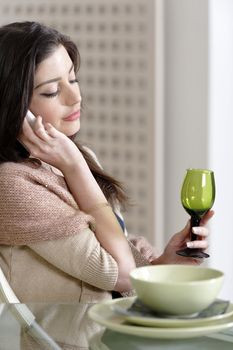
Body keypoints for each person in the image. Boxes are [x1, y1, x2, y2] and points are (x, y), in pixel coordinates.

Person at [0, 21, 213, 304]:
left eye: (73, 80)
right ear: (14, 107)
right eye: (52, 91)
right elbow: (122, 274)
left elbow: (117, 268)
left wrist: (164, 263)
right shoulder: (12, 186)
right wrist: (76, 167)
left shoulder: (75, 160)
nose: (75, 97)